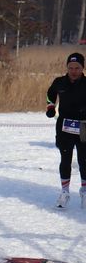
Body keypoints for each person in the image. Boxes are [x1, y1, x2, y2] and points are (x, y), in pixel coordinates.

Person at [46, 52, 86, 208]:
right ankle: (65, 192)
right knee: (65, 159)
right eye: (70, 67)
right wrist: (50, 107)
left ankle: (84, 192)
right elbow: (50, 94)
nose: (74, 71)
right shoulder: (60, 82)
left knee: (84, 160)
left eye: (77, 68)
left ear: (82, 68)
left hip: (83, 126)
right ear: (67, 67)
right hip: (64, 126)